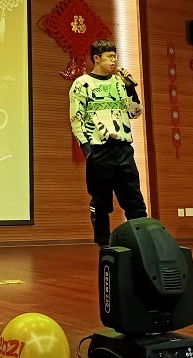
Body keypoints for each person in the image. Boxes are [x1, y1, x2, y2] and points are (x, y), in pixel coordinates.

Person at [69, 39, 147, 246]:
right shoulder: (82, 84)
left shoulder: (120, 83)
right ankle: (104, 244)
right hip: (99, 150)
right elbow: (76, 119)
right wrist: (88, 150)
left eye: (115, 56)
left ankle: (143, 242)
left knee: (134, 199)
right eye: (109, 57)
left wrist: (130, 88)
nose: (114, 61)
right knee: (101, 201)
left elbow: (135, 112)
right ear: (97, 58)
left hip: (123, 149)